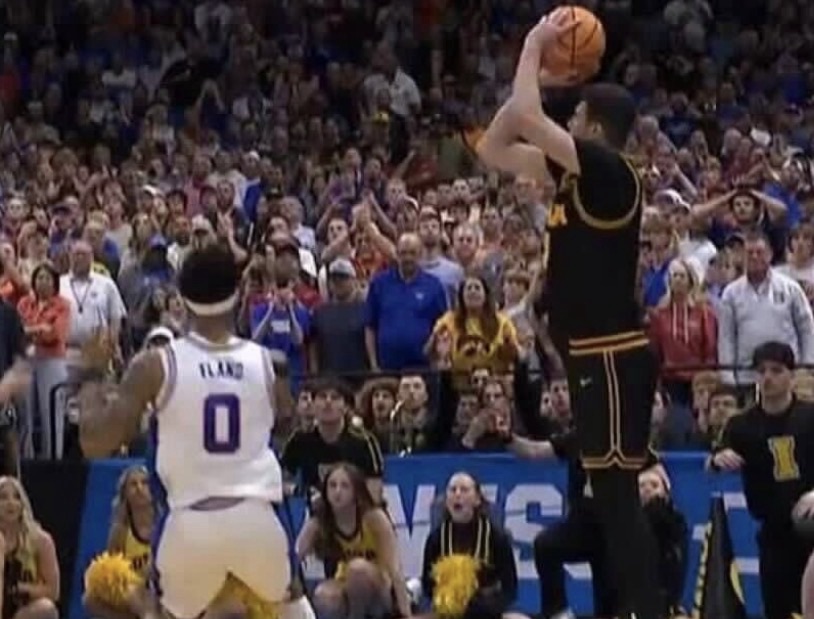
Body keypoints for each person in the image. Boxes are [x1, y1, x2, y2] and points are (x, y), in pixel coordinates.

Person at [477, 11, 660, 619]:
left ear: (595, 128)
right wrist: (536, 81)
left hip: (613, 354)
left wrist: (534, 48)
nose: (568, 122)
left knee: (618, 498)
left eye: (576, 116)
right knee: (609, 499)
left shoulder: (611, 173)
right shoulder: (575, 177)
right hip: (589, 356)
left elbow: (530, 118)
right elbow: (494, 146)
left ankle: (649, 610)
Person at [76, 243, 314, 619]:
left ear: (182, 299)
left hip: (190, 524)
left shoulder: (155, 364)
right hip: (257, 520)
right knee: (292, 599)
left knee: (160, 610)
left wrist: (91, 375)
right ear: (237, 295)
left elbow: (95, 443)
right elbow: (288, 424)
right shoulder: (270, 362)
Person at [708, 341, 814, 619]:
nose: (767, 377)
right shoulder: (741, 425)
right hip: (772, 530)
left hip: (810, 524)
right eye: (762, 370)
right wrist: (719, 457)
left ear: (792, 375)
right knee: (776, 607)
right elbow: (712, 460)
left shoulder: (810, 416)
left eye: (776, 370)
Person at [295, 463, 411, 619]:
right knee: (324, 595)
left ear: (356, 491)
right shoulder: (319, 520)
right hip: (345, 584)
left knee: (357, 569)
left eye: (345, 486)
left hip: (381, 588)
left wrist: (405, 613)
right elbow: (293, 559)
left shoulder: (373, 517)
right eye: (332, 485)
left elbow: (395, 569)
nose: (337, 491)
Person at [417, 471, 527, 619]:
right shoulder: (436, 538)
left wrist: (490, 605)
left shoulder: (496, 537)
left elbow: (510, 589)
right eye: (452, 489)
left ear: (477, 499)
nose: (457, 494)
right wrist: (446, 598)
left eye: (464, 490)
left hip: (486, 612)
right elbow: (427, 584)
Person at [83, 465, 153, 619]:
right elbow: (112, 572)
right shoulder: (119, 531)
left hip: (161, 586)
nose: (139, 488)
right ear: (125, 493)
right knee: (90, 599)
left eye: (144, 482)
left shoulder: (165, 521)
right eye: (133, 484)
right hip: (134, 591)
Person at [0, 476, 59, 619]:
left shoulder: (40, 540)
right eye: (3, 497)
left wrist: (20, 588)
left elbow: (53, 591)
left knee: (46, 609)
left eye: (16, 497)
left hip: (23, 609)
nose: (10, 503)